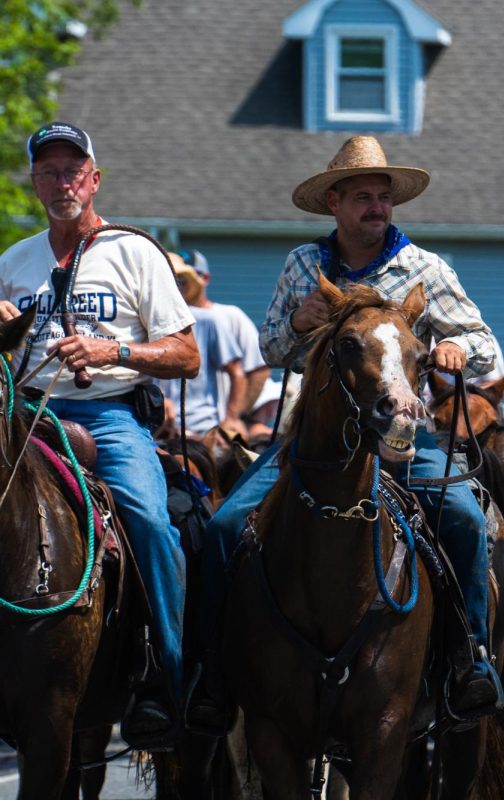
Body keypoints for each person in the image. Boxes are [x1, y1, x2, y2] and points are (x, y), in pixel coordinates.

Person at [197, 135, 504, 728]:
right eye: (362, 197)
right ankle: (209, 672)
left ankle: (472, 658)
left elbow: (485, 346)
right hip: (311, 443)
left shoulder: (425, 270)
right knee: (222, 527)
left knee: (465, 519)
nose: (376, 208)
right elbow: (271, 349)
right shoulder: (302, 266)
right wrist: (296, 321)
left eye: (383, 198)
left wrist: (453, 348)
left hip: (403, 436)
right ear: (333, 202)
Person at [0, 122, 200, 748]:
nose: (61, 183)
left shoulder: (135, 252)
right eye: (49, 172)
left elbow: (187, 354)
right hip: (28, 416)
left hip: (109, 415)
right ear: (34, 183)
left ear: (93, 180)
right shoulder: (13, 261)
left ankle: (168, 678)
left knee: (148, 518)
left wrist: (111, 347)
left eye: (72, 171)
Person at [176, 249, 270, 431]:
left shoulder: (228, 316)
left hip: (210, 426)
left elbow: (259, 369)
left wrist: (235, 416)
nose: (181, 284)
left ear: (205, 278)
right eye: (176, 278)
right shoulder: (163, 319)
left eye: (187, 277)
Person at [157, 254, 248, 437]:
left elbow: (237, 374)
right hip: (158, 428)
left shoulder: (209, 321)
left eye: (180, 281)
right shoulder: (143, 324)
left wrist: (231, 419)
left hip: (203, 429)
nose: (175, 287)